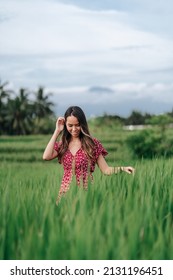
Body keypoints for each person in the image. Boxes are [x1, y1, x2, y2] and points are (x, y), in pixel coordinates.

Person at [43, 106, 135, 204]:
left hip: (86, 193)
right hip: (65, 193)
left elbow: (106, 170)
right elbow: (46, 156)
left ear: (82, 124)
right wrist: (57, 131)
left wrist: (122, 169)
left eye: (77, 125)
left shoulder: (92, 144)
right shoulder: (63, 144)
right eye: (70, 125)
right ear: (65, 125)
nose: (74, 129)